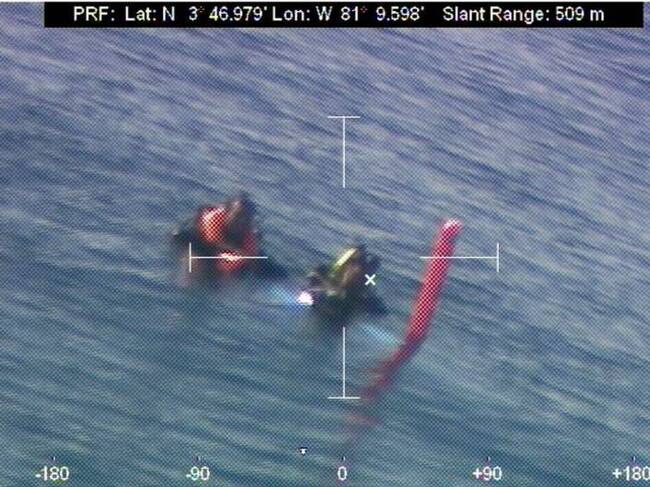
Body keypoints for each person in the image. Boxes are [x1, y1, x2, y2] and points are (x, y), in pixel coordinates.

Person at [172, 193, 261, 280]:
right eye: (238, 215)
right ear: (226, 213)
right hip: (201, 243)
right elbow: (213, 242)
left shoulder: (250, 237)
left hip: (223, 256)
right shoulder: (212, 221)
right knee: (193, 258)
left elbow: (252, 263)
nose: (242, 221)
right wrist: (236, 252)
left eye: (247, 219)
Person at [307, 245, 382, 313]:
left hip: (342, 303)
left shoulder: (356, 286)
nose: (352, 269)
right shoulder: (345, 271)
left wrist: (319, 279)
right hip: (334, 298)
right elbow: (336, 288)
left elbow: (338, 290)